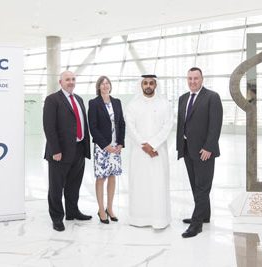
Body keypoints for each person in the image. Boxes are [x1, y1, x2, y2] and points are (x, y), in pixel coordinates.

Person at [176, 67, 223, 238]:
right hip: (188, 149)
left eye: (196, 78)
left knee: (203, 187)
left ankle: (196, 225)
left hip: (205, 151)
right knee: (196, 185)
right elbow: (182, 125)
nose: (193, 81)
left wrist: (209, 147)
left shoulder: (212, 97)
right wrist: (180, 147)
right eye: (190, 78)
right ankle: (204, 215)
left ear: (202, 79)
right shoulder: (183, 99)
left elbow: (215, 124)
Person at [43, 70, 92, 232]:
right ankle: (57, 218)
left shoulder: (78, 99)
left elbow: (82, 122)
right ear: (60, 82)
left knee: (74, 184)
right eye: (67, 79)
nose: (71, 82)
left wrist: (85, 147)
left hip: (79, 149)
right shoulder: (52, 99)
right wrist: (55, 150)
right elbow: (49, 127)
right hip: (60, 152)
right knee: (56, 187)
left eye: (73, 79)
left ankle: (72, 211)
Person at [126, 74, 173, 229]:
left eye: (151, 83)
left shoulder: (164, 104)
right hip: (139, 153)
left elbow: (168, 125)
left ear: (155, 85)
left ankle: (159, 219)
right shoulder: (133, 105)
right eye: (145, 83)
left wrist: (153, 144)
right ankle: (139, 219)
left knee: (158, 184)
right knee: (140, 184)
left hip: (158, 152)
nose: (148, 85)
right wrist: (144, 145)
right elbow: (130, 127)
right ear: (141, 85)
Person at [88, 76, 125, 224]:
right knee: (101, 178)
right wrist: (105, 146)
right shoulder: (94, 103)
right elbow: (93, 127)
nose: (105, 86)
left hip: (115, 147)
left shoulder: (117, 102)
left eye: (107, 83)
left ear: (110, 86)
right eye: (102, 84)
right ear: (98, 87)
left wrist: (120, 143)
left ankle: (110, 208)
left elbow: (121, 123)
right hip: (102, 148)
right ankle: (101, 209)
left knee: (112, 177)